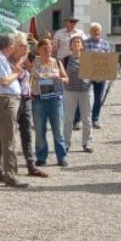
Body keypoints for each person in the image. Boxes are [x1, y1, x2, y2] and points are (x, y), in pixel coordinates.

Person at [0, 34, 29, 188]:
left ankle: (0, 172)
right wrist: (17, 73)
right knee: (9, 139)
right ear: (8, 46)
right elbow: (3, 81)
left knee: (2, 139)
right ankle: (10, 175)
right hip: (5, 100)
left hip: (5, 100)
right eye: (13, 46)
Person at [12, 33, 48, 177]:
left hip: (26, 99)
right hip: (13, 100)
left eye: (27, 45)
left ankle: (31, 166)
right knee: (9, 135)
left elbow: (35, 72)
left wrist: (28, 62)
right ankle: (8, 167)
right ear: (15, 46)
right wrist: (21, 61)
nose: (27, 48)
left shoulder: (29, 59)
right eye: (23, 45)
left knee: (27, 133)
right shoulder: (9, 59)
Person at [30, 38, 69, 168]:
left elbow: (66, 78)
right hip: (39, 100)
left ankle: (62, 157)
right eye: (44, 48)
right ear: (39, 49)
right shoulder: (33, 62)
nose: (47, 50)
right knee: (40, 131)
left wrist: (61, 79)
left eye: (49, 48)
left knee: (58, 130)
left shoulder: (57, 62)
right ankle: (41, 157)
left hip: (55, 100)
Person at [62, 36, 94, 153]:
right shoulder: (65, 60)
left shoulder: (88, 59)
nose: (76, 43)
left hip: (86, 91)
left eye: (79, 42)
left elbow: (95, 74)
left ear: (82, 46)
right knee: (68, 118)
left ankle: (87, 142)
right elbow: (61, 74)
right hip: (70, 91)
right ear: (70, 45)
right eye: (74, 42)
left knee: (87, 118)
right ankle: (65, 143)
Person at [54, 16, 87, 129]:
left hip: (78, 62)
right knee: (63, 91)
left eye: (75, 22)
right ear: (66, 22)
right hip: (63, 62)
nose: (73, 24)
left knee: (79, 89)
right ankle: (63, 116)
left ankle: (76, 120)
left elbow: (86, 47)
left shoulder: (81, 33)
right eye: (71, 21)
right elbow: (54, 48)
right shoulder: (59, 33)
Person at [84, 23, 112, 128]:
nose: (96, 32)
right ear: (90, 32)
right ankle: (77, 120)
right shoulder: (84, 43)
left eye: (97, 30)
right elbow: (82, 59)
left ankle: (95, 120)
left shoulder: (105, 44)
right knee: (83, 98)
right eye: (93, 30)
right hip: (87, 75)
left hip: (101, 76)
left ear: (100, 32)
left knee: (98, 99)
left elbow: (108, 60)